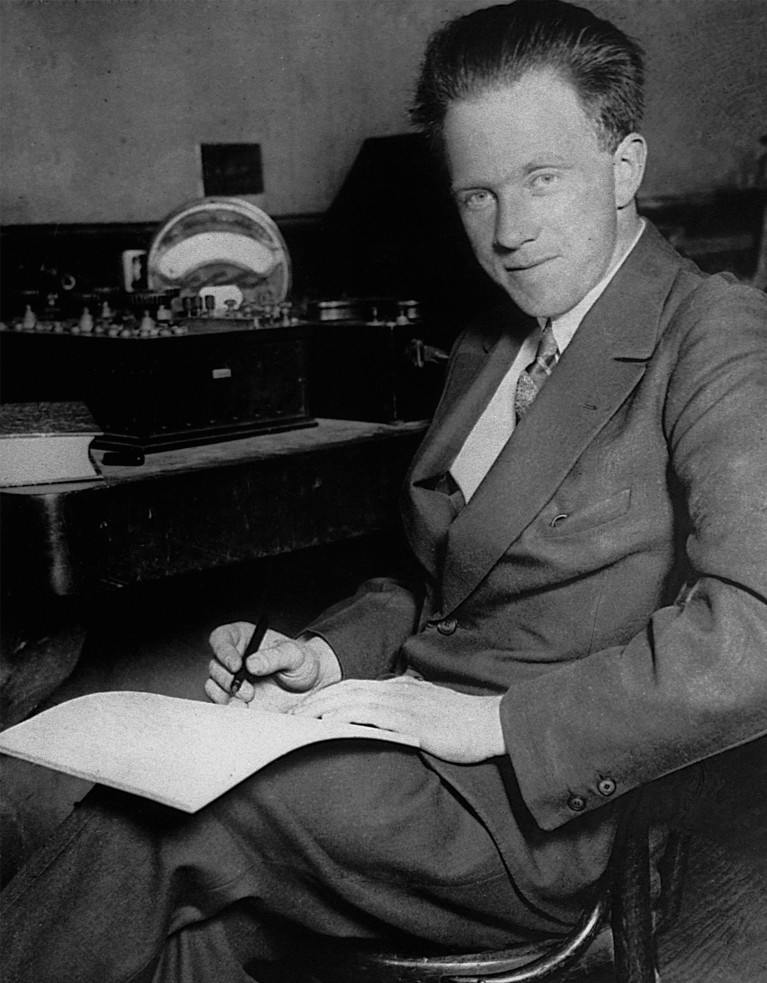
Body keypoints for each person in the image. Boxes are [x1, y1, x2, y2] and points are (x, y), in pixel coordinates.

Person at [3, 2, 767, 980]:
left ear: (624, 170)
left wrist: (493, 722)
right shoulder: (489, 346)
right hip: (398, 738)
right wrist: (323, 657)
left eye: (541, 178)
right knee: (188, 916)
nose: (511, 231)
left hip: (524, 809)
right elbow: (428, 581)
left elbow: (752, 632)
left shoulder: (714, 331)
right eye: (476, 195)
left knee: (158, 817)